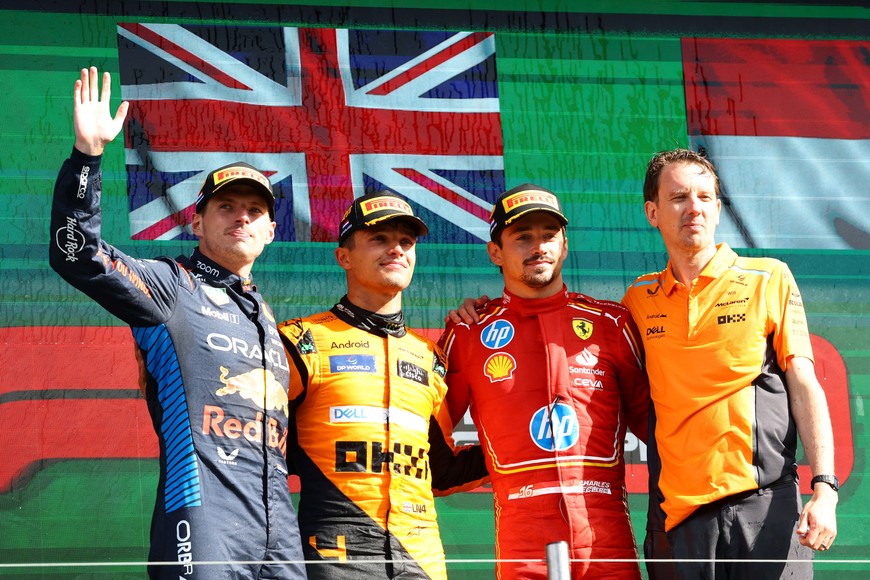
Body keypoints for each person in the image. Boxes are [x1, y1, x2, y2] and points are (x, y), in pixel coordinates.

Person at [49, 67, 306, 579]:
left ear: (272, 231)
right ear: (197, 222)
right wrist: (88, 158)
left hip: (279, 532)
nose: (241, 218)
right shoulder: (172, 286)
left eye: (255, 211)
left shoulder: (267, 317)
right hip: (202, 519)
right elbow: (75, 254)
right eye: (226, 207)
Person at [622, 148, 838, 578]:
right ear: (653, 212)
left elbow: (804, 384)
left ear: (718, 209)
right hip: (681, 520)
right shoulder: (638, 300)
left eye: (705, 197)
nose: (694, 208)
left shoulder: (769, 278)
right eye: (679, 197)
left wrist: (825, 490)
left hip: (765, 505)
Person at [439, 183, 650, 579]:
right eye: (523, 237)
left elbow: (659, 430)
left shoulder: (612, 323)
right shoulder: (469, 332)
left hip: (608, 541)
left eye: (549, 235)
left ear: (565, 245)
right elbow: (433, 456)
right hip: (523, 546)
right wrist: (502, 459)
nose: (539, 247)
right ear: (495, 252)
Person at [277, 192, 488, 580]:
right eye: (379, 239)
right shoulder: (300, 340)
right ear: (344, 257)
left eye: (406, 242)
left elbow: (439, 472)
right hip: (335, 550)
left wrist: (522, 446)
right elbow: (257, 454)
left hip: (421, 556)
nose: (396, 249)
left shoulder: (431, 357)